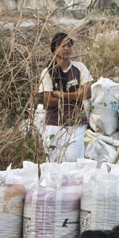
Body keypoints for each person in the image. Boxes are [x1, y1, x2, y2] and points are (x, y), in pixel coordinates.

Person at [39, 32, 92, 161]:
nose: (66, 49)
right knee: (51, 163)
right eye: (63, 46)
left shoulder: (79, 68)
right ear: (55, 48)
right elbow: (48, 101)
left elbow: (87, 93)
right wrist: (76, 95)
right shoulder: (48, 71)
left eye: (69, 45)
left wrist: (60, 94)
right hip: (54, 123)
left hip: (75, 124)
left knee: (75, 162)